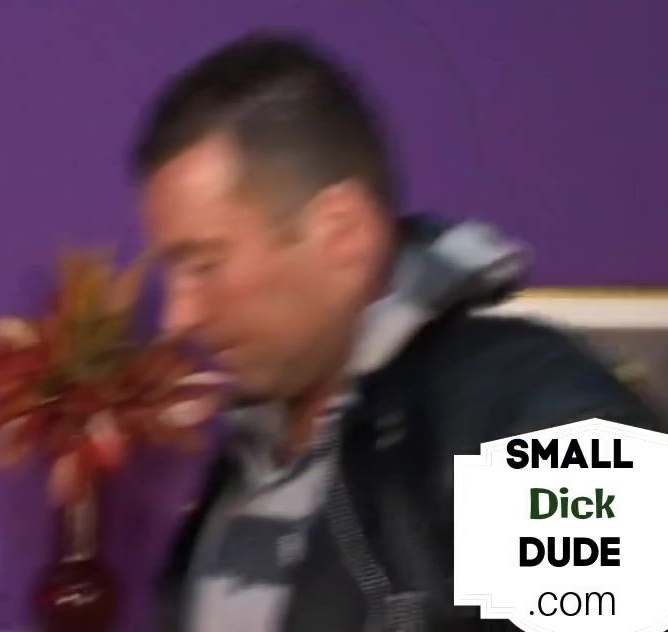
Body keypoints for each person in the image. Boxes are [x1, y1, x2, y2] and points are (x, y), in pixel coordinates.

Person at [129, 32, 664, 631]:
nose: (179, 316)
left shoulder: (515, 417)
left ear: (341, 232)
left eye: (205, 264)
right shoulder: (251, 455)